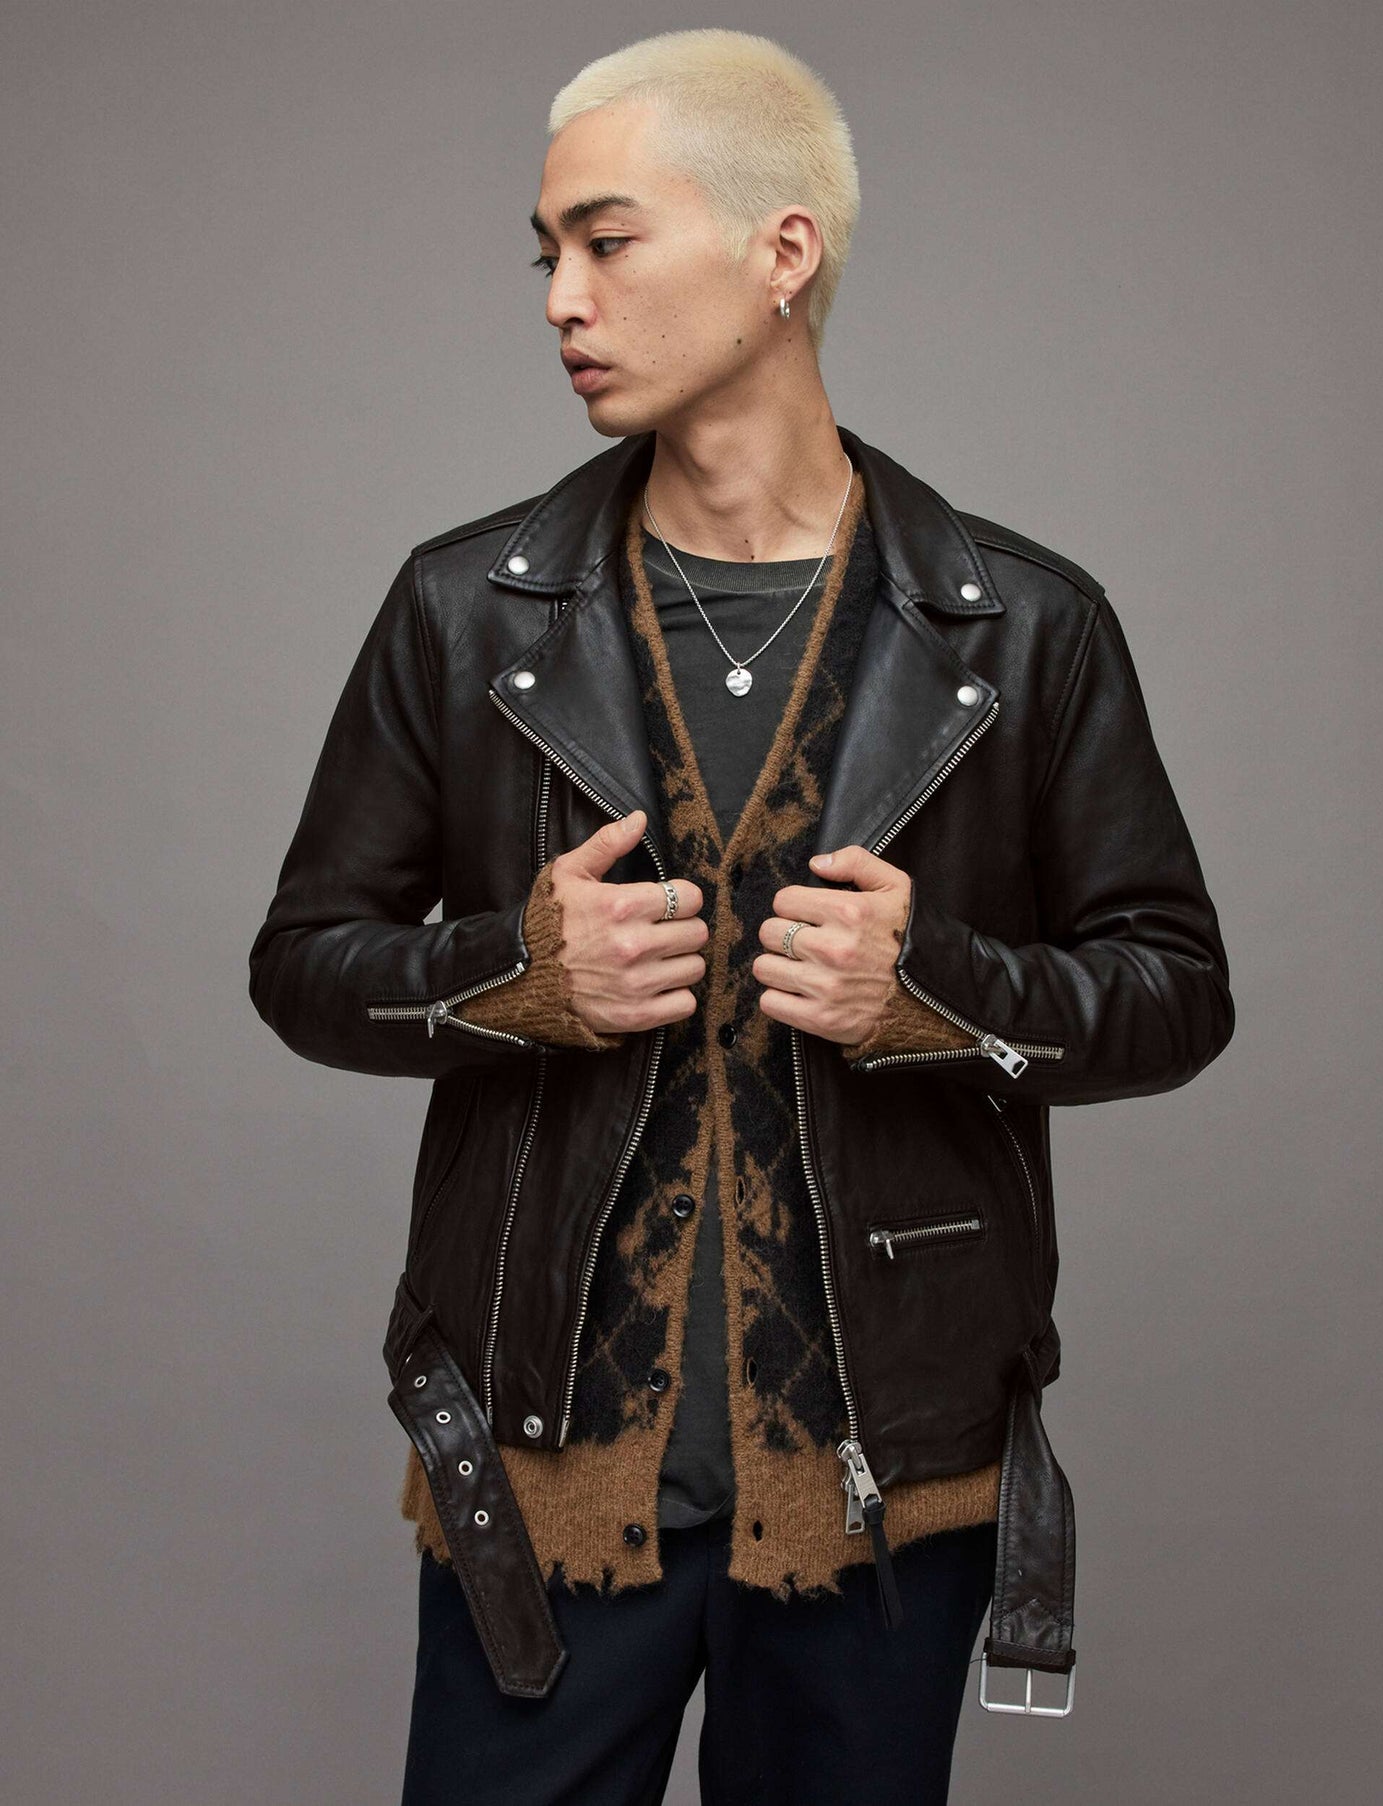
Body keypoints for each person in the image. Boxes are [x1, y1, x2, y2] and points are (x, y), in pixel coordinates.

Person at [247, 27, 1235, 1805]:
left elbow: (1173, 990)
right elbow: (304, 961)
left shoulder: (1019, 627)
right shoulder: (467, 609)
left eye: (606, 240)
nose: (562, 297)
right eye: (546, 254)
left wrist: (933, 990)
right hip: (540, 1465)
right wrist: (511, 974)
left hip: (880, 1480)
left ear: (782, 252)